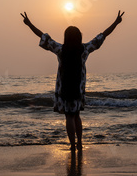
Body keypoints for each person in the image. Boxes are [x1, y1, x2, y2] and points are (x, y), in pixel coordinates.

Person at [20, 10, 125, 151]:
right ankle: (80, 143)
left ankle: (73, 145)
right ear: (79, 37)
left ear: (65, 37)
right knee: (76, 116)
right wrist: (116, 23)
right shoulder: (85, 49)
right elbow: (102, 36)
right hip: (78, 88)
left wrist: (29, 24)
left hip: (64, 87)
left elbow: (43, 36)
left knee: (69, 117)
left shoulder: (60, 49)